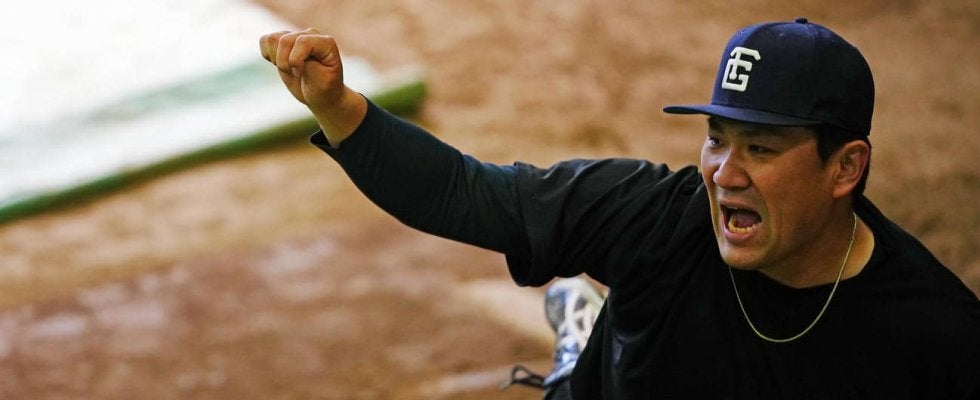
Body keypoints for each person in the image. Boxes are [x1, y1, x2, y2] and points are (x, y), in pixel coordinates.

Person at [259, 18, 980, 399]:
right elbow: (463, 193)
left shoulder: (932, 336)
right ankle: (583, 348)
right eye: (716, 138)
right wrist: (340, 107)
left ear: (844, 168)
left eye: (760, 149)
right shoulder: (653, 217)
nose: (724, 172)